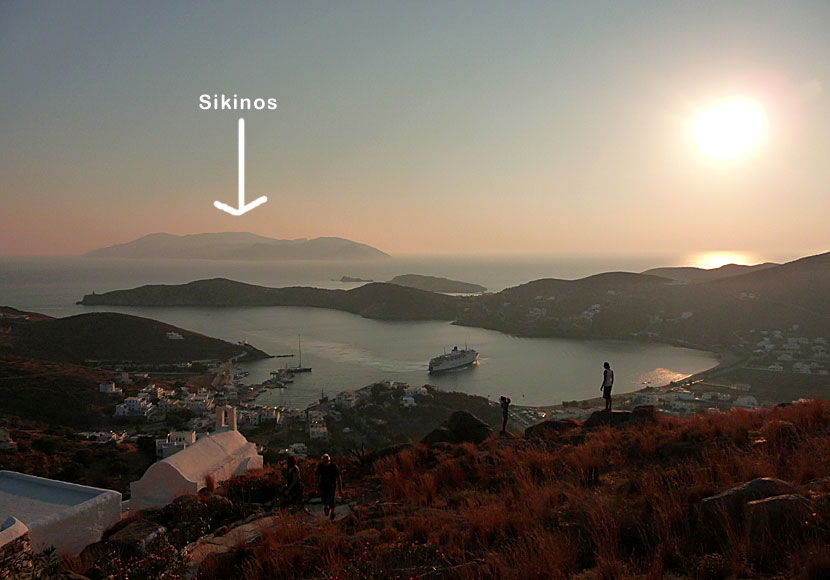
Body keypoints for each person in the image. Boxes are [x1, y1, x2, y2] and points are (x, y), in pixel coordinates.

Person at [315, 453, 342, 520]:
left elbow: (338, 477)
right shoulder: (320, 466)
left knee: (331, 498)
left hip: (331, 484)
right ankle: (326, 507)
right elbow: (317, 476)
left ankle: (332, 512)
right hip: (323, 484)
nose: (325, 463)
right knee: (324, 497)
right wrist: (316, 485)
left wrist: (340, 488)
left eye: (326, 462)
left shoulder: (333, 466)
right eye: (324, 462)